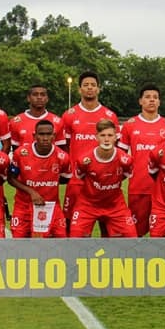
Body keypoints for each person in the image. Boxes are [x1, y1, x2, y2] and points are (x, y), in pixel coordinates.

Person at [60, 71, 119, 228]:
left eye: (93, 85)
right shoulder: (69, 115)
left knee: (107, 225)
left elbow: (115, 147)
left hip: (103, 181)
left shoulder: (109, 116)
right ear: (79, 89)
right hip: (77, 181)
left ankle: (105, 253)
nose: (90, 88)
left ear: (99, 89)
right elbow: (64, 146)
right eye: (86, 85)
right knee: (72, 226)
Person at [68, 119, 136, 238]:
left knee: (130, 238)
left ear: (116, 137)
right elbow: (81, 177)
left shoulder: (126, 160)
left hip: (115, 205)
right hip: (88, 205)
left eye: (110, 135)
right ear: (97, 137)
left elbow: (124, 176)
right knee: (76, 238)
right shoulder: (84, 160)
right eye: (102, 135)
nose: (106, 139)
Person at [118, 83, 165, 236]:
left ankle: (158, 259)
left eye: (155, 97)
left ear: (159, 102)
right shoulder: (129, 125)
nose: (151, 100)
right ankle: (136, 259)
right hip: (138, 187)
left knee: (159, 234)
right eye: (147, 97)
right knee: (135, 233)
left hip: (161, 189)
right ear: (140, 101)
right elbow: (120, 156)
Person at [8, 119, 72, 238]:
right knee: (18, 242)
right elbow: (11, 179)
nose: (45, 138)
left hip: (51, 206)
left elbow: (65, 179)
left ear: (54, 136)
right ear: (34, 135)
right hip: (23, 206)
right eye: (41, 134)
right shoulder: (21, 154)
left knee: (60, 241)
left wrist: (47, 185)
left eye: (49, 134)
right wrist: (31, 191)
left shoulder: (63, 157)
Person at [9, 84, 64, 151]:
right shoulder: (15, 122)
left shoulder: (58, 121)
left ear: (47, 99)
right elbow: (16, 150)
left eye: (43, 94)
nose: (39, 97)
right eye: (35, 94)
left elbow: (61, 150)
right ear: (28, 98)